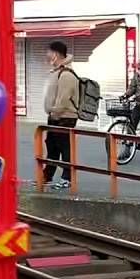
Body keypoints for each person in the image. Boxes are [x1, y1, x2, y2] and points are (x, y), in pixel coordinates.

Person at [40, 40, 80, 189]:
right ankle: (47, 176)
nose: (47, 55)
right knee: (52, 147)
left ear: (55, 54)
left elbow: (63, 98)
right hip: (55, 116)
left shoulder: (67, 74)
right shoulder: (57, 72)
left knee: (64, 147)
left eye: (49, 52)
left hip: (65, 117)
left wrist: (54, 111)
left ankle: (67, 178)